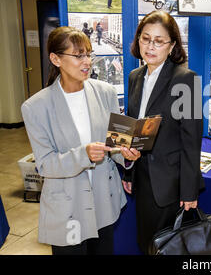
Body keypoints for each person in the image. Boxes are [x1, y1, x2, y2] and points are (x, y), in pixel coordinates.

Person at [20, 26, 141, 255]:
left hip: (104, 200)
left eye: (89, 54)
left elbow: (114, 146)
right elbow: (45, 164)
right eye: (78, 56)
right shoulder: (36, 107)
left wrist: (125, 157)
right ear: (55, 59)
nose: (87, 61)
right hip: (67, 207)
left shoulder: (105, 92)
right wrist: (83, 154)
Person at [122, 10, 204, 255]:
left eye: (159, 41)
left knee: (167, 249)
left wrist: (189, 190)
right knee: (146, 243)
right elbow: (134, 129)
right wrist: (129, 171)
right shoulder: (135, 77)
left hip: (171, 184)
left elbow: (192, 139)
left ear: (172, 46)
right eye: (145, 39)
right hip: (143, 178)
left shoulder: (187, 79)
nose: (151, 46)